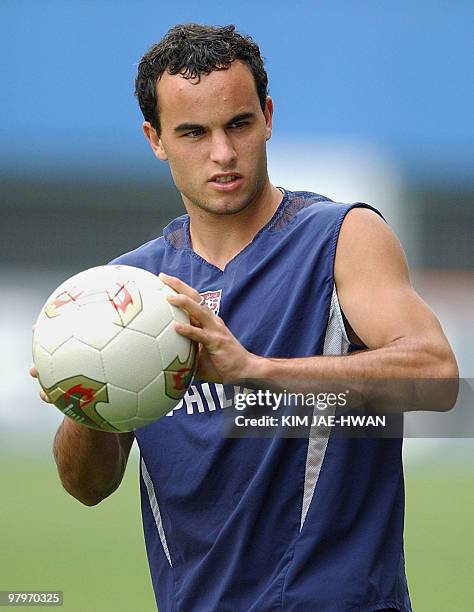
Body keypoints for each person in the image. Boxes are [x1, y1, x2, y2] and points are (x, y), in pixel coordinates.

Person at [31, 24, 457, 612]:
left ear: (269, 117)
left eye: (239, 124)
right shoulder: (129, 293)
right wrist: (86, 395)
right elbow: (86, 487)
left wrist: (252, 369)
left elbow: (438, 375)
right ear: (155, 139)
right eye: (192, 133)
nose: (223, 153)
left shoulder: (340, 237)